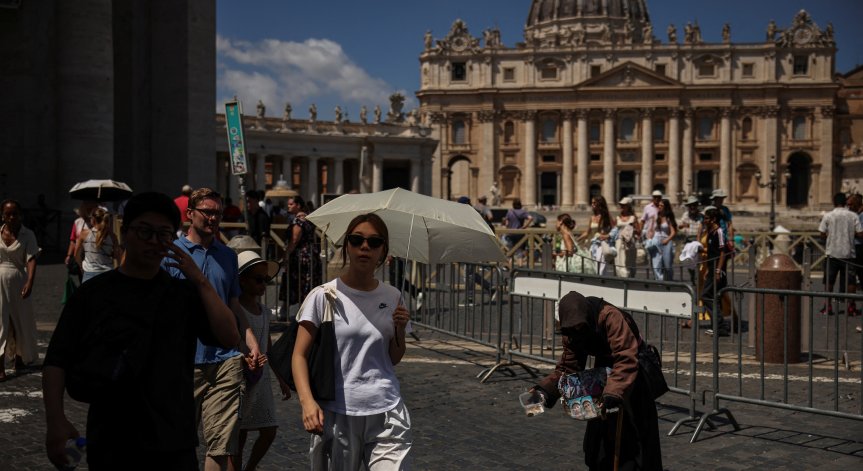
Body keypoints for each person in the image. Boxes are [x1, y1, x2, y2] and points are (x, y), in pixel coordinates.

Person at [42, 192, 241, 468]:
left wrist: (201, 281)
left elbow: (230, 337)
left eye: (163, 234)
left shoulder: (183, 294)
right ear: (125, 234)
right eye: (145, 231)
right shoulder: (92, 294)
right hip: (112, 438)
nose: (154, 242)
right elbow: (56, 359)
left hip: (173, 440)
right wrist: (56, 419)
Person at [293, 213, 413, 469]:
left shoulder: (393, 296)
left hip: (386, 408)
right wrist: (307, 402)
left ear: (383, 250)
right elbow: (299, 355)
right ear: (347, 245)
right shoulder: (323, 295)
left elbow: (392, 358)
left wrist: (400, 330)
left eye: (374, 242)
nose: (365, 247)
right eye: (357, 240)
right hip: (338, 411)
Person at [163, 187, 263, 471]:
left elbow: (234, 305)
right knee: (178, 444)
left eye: (217, 213)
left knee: (220, 447)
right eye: (207, 212)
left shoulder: (228, 256)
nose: (213, 218)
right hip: (184, 362)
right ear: (190, 214)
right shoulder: (172, 252)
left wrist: (251, 341)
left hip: (225, 361)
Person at [530, 291, 663, 471]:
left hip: (632, 372)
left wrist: (613, 392)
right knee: (601, 434)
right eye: (572, 330)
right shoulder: (569, 328)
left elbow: (626, 358)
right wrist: (545, 391)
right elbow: (569, 366)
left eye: (580, 328)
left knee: (634, 432)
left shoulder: (610, 317)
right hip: (604, 372)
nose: (576, 332)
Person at [236, 250, 291, 471]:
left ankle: (250, 468)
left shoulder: (265, 312)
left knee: (269, 430)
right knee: (239, 434)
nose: (263, 285)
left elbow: (268, 347)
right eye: (258, 280)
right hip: (242, 376)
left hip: (262, 378)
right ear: (242, 280)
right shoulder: (235, 310)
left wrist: (281, 379)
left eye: (266, 280)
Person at [0, 199, 39, 380]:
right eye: (8, 213)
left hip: (19, 280)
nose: (12, 217)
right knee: (1, 322)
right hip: (0, 281)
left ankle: (19, 358)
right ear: (3, 215)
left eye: (15, 213)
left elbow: (31, 259)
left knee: (19, 322)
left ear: (20, 214)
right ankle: (0, 365)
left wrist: (30, 281)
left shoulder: (27, 234)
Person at [818, 192, 863, 315]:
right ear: (845, 202)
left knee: (829, 281)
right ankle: (851, 307)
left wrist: (831, 235)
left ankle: (828, 306)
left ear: (834, 202)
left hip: (832, 253)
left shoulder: (828, 216)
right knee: (851, 282)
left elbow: (822, 234)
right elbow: (860, 234)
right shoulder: (853, 216)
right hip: (849, 254)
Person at [701, 206, 730, 336]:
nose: (704, 220)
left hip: (718, 270)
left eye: (706, 218)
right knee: (714, 297)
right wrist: (707, 268)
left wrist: (718, 270)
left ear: (713, 219)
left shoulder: (719, 232)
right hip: (712, 268)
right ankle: (719, 327)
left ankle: (719, 325)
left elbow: (723, 252)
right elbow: (711, 254)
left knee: (706, 295)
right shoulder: (710, 232)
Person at [74, 207, 121, 283]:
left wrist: (81, 267)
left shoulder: (84, 234)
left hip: (89, 273)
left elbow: (76, 254)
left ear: (93, 220)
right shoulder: (112, 236)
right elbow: (117, 256)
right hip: (108, 274)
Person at [578, 196, 613, 276]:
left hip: (603, 245)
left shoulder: (606, 216)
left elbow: (614, 230)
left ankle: (603, 283)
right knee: (594, 268)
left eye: (594, 203)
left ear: (599, 204)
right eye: (592, 203)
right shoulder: (592, 217)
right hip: (593, 245)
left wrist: (607, 236)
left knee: (601, 269)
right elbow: (587, 232)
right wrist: (577, 239)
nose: (592, 204)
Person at [65, 200, 98, 280]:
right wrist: (69, 255)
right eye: (87, 209)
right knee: (82, 278)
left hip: (93, 255)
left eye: (90, 209)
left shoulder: (97, 222)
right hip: (80, 255)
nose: (88, 211)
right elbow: (72, 240)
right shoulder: (77, 222)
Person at [647, 199, 678, 281]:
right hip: (656, 241)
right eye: (659, 205)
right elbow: (652, 230)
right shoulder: (656, 216)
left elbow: (673, 232)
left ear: (666, 207)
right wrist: (650, 238)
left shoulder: (668, 218)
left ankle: (669, 280)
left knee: (667, 265)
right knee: (656, 265)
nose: (659, 207)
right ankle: (659, 281)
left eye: (661, 206)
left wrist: (667, 240)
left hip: (666, 242)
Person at [614, 197, 638, 278]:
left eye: (624, 205)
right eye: (621, 205)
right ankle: (621, 279)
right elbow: (614, 230)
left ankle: (629, 278)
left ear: (628, 206)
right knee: (619, 261)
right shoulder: (617, 217)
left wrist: (630, 231)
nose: (622, 207)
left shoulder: (633, 218)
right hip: (619, 242)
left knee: (629, 261)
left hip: (630, 242)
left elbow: (639, 231)